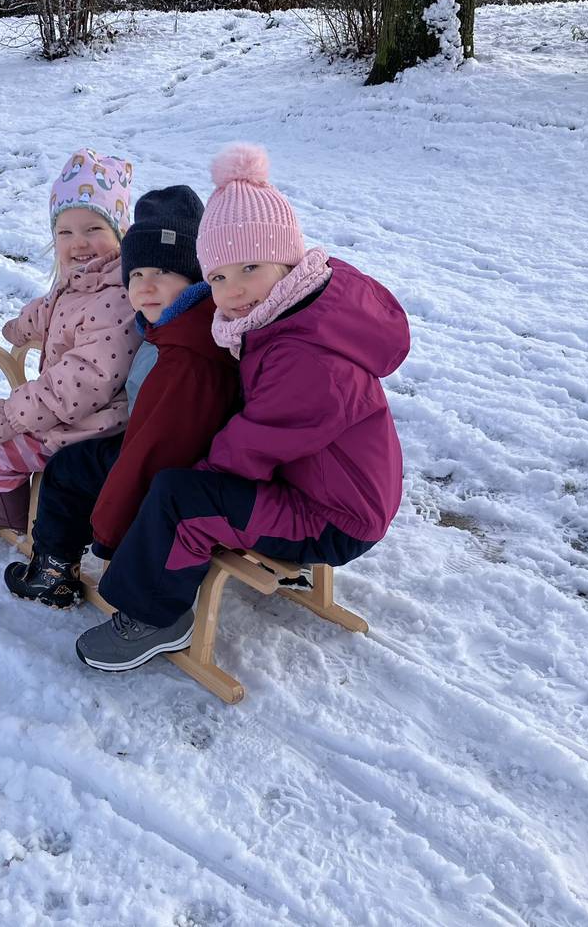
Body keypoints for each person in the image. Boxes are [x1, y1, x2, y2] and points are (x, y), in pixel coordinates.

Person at [74, 143, 411, 672]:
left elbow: (254, 443)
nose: (233, 291)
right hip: (321, 486)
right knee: (189, 475)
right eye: (219, 278)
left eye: (249, 267)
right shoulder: (295, 314)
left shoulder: (305, 354)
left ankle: (156, 615)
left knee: (180, 497)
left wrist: (193, 480)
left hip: (333, 516)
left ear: (288, 257)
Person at [4, 186, 240, 608]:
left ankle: (53, 572)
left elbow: (153, 449)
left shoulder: (180, 355)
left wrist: (110, 529)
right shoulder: (181, 323)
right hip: (180, 451)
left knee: (68, 469)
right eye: (135, 275)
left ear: (194, 274)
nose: (146, 287)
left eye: (162, 273)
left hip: (172, 464)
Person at [0, 149, 142, 535]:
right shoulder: (89, 280)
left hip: (90, 428)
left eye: (93, 229)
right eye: (65, 232)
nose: (78, 243)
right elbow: (54, 306)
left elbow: (79, 384)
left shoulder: (115, 299)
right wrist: (22, 326)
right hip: (78, 415)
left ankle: (10, 514)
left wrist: (12, 415)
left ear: (120, 233)